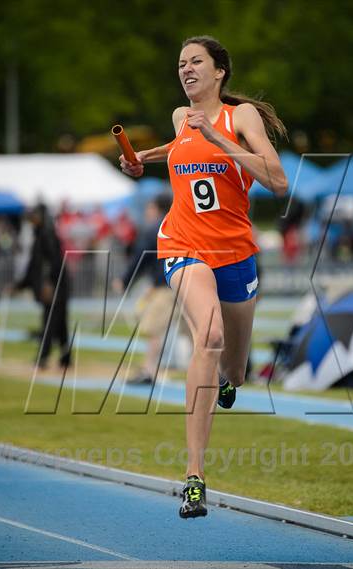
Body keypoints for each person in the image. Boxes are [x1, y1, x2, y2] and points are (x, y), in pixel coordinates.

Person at [119, 36, 287, 519]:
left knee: (234, 369)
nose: (186, 69)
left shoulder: (242, 120)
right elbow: (180, 145)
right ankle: (195, 477)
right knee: (207, 336)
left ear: (220, 72)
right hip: (183, 245)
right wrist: (141, 159)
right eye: (180, 63)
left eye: (196, 62)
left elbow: (277, 181)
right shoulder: (179, 117)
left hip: (234, 253)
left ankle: (228, 380)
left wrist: (218, 138)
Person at [112, 194, 174, 384]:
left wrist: (124, 280)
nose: (147, 211)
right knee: (201, 333)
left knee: (153, 328)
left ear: (156, 208)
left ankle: (149, 370)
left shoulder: (156, 228)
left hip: (168, 286)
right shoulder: (178, 224)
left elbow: (141, 257)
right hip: (186, 283)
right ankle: (223, 371)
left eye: (149, 207)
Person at [9, 204, 70, 369]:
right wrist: (19, 285)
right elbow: (33, 267)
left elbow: (54, 262)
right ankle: (66, 358)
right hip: (53, 285)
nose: (31, 220)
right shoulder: (40, 236)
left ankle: (44, 357)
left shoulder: (47, 235)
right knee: (60, 322)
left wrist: (49, 283)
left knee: (50, 322)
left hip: (55, 286)